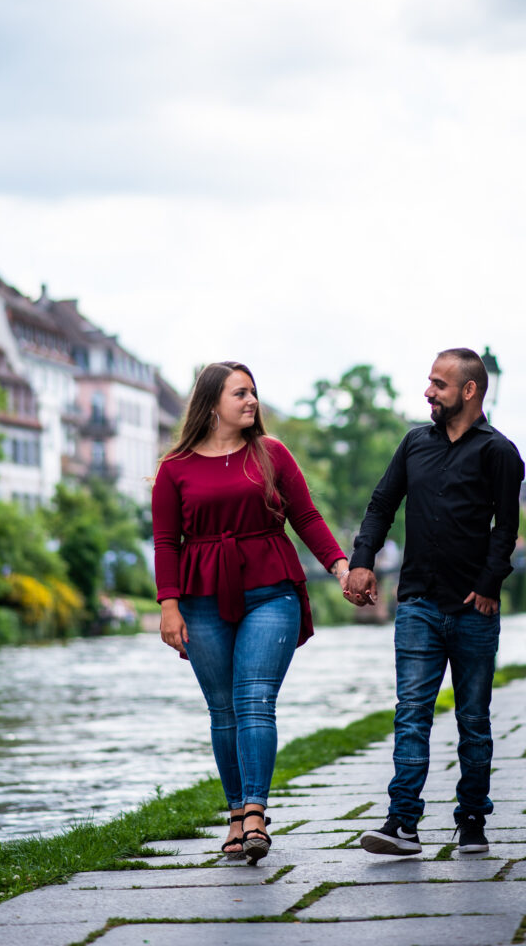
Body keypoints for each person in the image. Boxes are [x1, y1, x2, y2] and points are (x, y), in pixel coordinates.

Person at [152, 361, 349, 864]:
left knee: (254, 700)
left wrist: (341, 568)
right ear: (211, 402)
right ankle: (236, 811)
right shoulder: (174, 468)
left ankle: (256, 813)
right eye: (240, 393)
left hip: (271, 590)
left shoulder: (271, 454)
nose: (251, 401)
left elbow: (305, 516)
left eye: (253, 393)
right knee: (224, 711)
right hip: (200, 598)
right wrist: (168, 605)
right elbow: (166, 543)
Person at [345, 348, 524, 856]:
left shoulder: (499, 452)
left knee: (473, 718)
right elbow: (382, 503)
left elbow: (505, 529)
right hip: (419, 601)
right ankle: (402, 822)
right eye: (429, 382)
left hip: (473, 607)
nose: (428, 392)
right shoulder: (413, 444)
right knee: (412, 713)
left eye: (439, 384)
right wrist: (363, 559)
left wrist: (490, 585)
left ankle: (471, 819)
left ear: (468, 391)